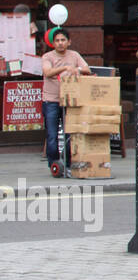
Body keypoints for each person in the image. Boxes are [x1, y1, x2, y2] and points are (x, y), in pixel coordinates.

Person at [41, 27, 91, 177]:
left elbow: (87, 68)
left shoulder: (74, 55)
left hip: (69, 101)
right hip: (51, 100)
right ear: (53, 43)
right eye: (57, 41)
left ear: (69, 42)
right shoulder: (47, 56)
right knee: (52, 135)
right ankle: (54, 164)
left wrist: (77, 69)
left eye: (63, 40)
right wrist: (64, 68)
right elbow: (47, 72)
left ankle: (68, 163)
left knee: (70, 134)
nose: (60, 43)